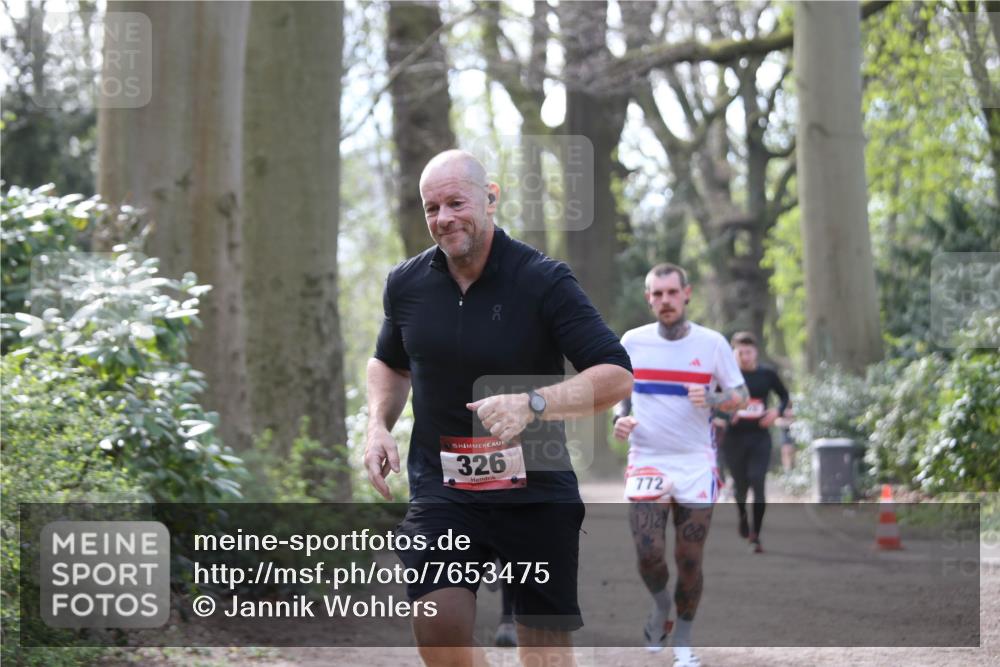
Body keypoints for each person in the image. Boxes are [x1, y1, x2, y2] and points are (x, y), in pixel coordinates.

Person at [364, 149, 633, 667]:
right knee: (438, 631)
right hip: (444, 488)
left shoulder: (543, 280)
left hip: (535, 489)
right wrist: (378, 426)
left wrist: (535, 403)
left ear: (491, 198)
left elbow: (615, 373)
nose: (443, 218)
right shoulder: (407, 284)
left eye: (456, 203)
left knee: (545, 656)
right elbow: (389, 364)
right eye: (432, 208)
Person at [613, 263, 748, 667]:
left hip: (695, 461)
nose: (665, 301)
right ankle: (660, 607)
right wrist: (620, 417)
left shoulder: (712, 344)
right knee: (648, 554)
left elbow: (740, 396)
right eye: (658, 294)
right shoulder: (632, 342)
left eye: (672, 292)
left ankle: (684, 641)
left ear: (687, 294)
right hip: (647, 459)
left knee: (689, 559)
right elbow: (620, 390)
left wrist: (714, 399)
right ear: (649, 299)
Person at [719, 332, 790, 553]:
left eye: (748, 352)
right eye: (740, 352)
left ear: (756, 352)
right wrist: (728, 414)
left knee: (757, 480)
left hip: (759, 437)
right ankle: (742, 516)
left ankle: (755, 536)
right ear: (733, 353)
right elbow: (714, 402)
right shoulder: (727, 376)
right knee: (740, 486)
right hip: (733, 439)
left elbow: (784, 396)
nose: (744, 357)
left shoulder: (767, 374)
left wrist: (776, 412)